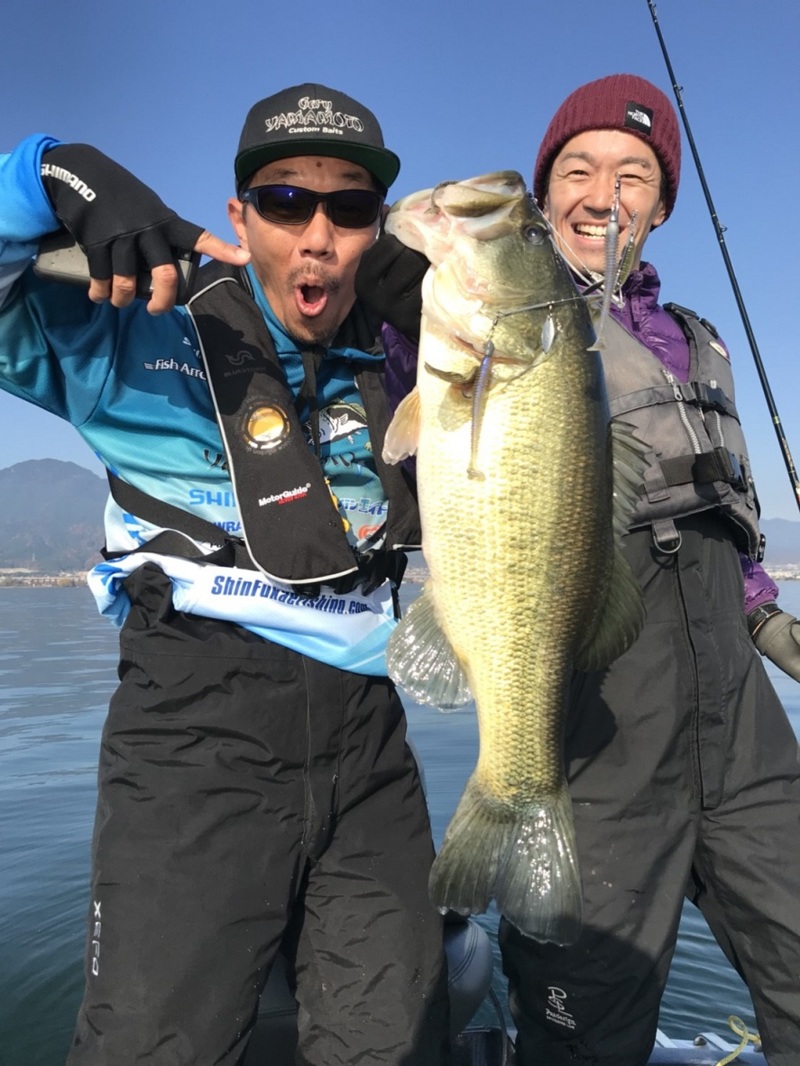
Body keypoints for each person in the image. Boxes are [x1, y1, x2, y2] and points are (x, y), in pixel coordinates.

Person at [0, 83, 451, 1065]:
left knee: (403, 1045)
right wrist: (51, 175)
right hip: (191, 738)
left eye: (349, 207)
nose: (319, 235)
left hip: (371, 748)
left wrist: (459, 322)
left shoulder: (412, 364)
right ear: (238, 216)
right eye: (287, 202)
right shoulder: (137, 331)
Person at [355, 74, 800, 1066]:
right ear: (548, 192)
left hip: (743, 728)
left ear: (662, 204)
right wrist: (403, 273)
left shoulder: (697, 342)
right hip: (601, 722)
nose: (604, 195)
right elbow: (411, 377)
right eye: (577, 171)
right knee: (584, 1024)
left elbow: (720, 522)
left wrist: (767, 617)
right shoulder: (488, 317)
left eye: (633, 175)